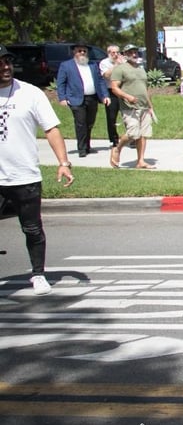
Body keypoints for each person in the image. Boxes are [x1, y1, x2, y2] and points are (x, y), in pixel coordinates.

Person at [0, 46, 75, 295]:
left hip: (24, 175)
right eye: (0, 64)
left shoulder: (30, 93)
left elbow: (51, 128)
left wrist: (63, 163)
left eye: (7, 62)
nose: (5, 67)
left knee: (32, 228)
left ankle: (38, 274)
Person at [55, 42, 110, 159]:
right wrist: (62, 98)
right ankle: (82, 149)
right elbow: (61, 83)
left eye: (84, 51)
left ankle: (88, 146)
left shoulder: (93, 65)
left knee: (89, 123)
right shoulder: (66, 65)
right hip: (76, 99)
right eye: (80, 51)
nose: (82, 53)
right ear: (74, 52)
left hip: (92, 98)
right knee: (80, 123)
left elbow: (100, 81)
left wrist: (105, 95)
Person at [108, 44, 156, 170]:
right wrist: (127, 96)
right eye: (130, 52)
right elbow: (114, 88)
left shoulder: (141, 69)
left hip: (144, 106)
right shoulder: (120, 69)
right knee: (133, 134)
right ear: (125, 54)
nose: (134, 54)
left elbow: (145, 89)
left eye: (135, 52)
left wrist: (150, 106)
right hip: (129, 106)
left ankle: (141, 161)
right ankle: (117, 148)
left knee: (143, 134)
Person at [98, 44, 123, 148]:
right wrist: (117, 65)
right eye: (113, 53)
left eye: (117, 52)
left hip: (123, 90)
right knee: (111, 117)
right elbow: (107, 75)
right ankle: (114, 139)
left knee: (128, 114)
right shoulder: (104, 63)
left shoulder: (123, 61)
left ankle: (131, 138)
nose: (116, 55)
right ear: (108, 53)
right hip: (111, 91)